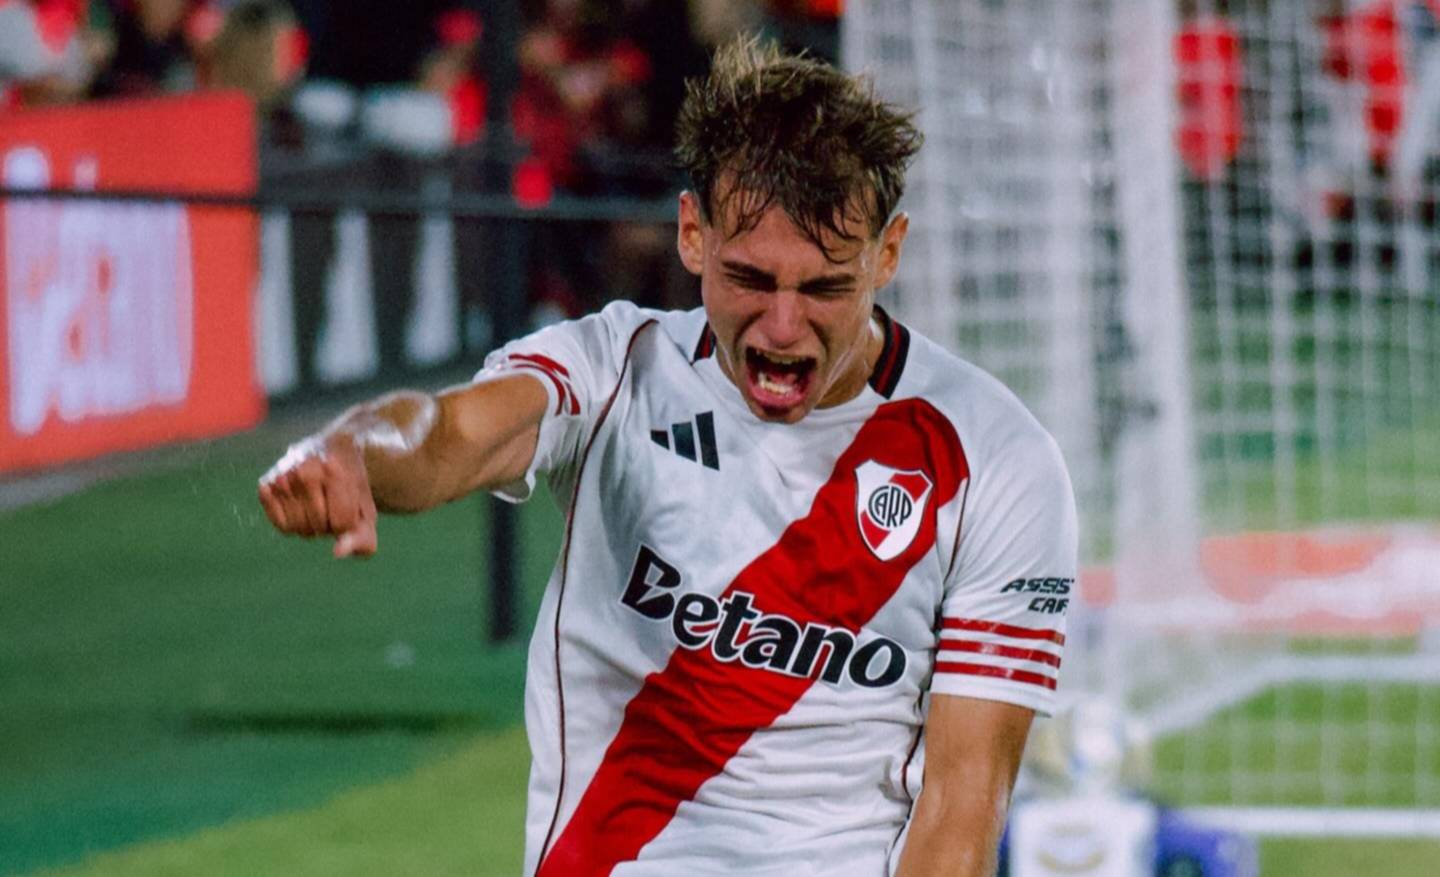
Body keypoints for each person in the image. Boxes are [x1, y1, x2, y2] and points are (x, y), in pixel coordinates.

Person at [258, 36, 1077, 877]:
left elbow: (961, 809)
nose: (783, 326)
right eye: (750, 279)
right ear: (692, 234)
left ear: (887, 253)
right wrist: (350, 448)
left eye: (824, 287)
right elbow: (449, 435)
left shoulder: (997, 460)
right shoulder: (614, 370)